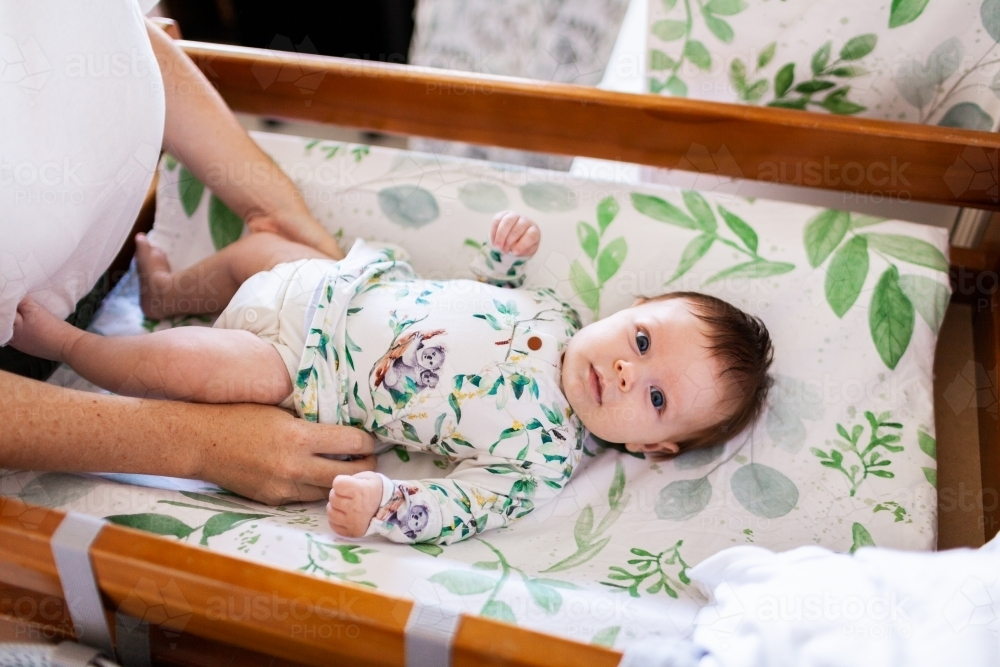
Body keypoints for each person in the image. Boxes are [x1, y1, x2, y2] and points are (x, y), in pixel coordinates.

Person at [10, 210, 775, 545]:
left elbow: (460, 507)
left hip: (305, 371)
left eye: (656, 397)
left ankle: (76, 345)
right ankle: (169, 293)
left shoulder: (541, 460)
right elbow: (480, 296)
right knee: (257, 249)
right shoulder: (559, 309)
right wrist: (505, 259)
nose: (626, 369)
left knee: (182, 368)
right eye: (641, 340)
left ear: (653, 449)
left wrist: (387, 505)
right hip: (338, 285)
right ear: (632, 308)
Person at [0, 2, 374, 505]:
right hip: (22, 351)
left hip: (355, 304)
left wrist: (273, 210)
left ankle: (168, 293)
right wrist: (198, 443)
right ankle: (72, 345)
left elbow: (114, 35)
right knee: (197, 366)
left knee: (265, 252)